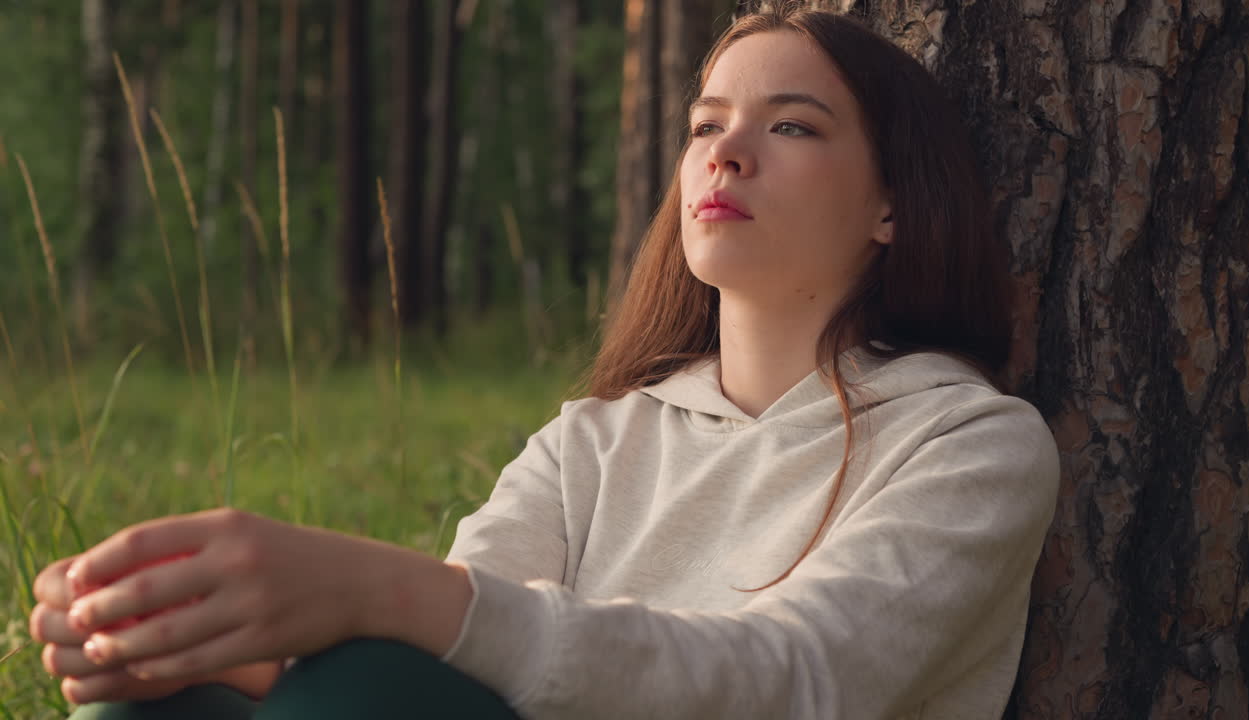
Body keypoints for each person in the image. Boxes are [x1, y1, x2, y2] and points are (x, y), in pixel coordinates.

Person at [28, 4, 1060, 719]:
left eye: (789, 125)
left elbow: (791, 684)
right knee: (148, 704)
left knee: (359, 697)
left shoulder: (967, 446)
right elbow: (464, 646)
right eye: (705, 126)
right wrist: (193, 640)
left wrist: (376, 590)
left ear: (891, 204)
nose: (724, 153)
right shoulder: (596, 441)